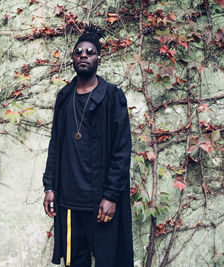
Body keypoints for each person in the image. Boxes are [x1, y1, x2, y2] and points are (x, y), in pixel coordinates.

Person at [42, 26, 133, 267]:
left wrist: (111, 195)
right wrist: (50, 186)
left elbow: (122, 150)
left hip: (102, 201)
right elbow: (55, 145)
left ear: (98, 59)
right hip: (70, 200)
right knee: (75, 262)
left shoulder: (113, 96)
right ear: (73, 58)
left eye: (90, 52)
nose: (83, 55)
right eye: (78, 52)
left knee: (109, 261)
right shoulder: (64, 96)